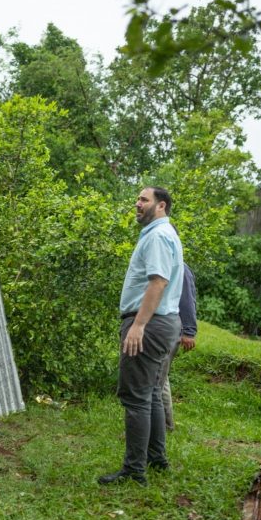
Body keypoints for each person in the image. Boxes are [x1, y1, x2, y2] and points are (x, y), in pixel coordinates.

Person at [98, 187, 184, 487]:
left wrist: (138, 325)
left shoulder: (158, 236)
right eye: (137, 198)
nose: (137, 203)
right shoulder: (163, 233)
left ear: (161, 206)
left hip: (150, 323)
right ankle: (156, 459)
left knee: (135, 398)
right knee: (150, 394)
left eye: (143, 199)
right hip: (164, 323)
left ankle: (135, 471)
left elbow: (158, 282)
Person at [159, 259, 197, 431]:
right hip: (164, 328)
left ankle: (164, 426)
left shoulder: (180, 268)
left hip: (172, 328)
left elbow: (187, 299)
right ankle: (166, 424)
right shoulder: (164, 265)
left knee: (158, 377)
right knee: (161, 376)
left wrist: (189, 331)